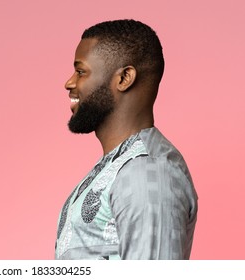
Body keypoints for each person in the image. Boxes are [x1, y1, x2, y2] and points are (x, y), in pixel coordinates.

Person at [55, 19, 198, 260]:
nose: (69, 82)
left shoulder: (147, 172)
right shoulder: (119, 166)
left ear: (124, 78)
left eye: (81, 72)